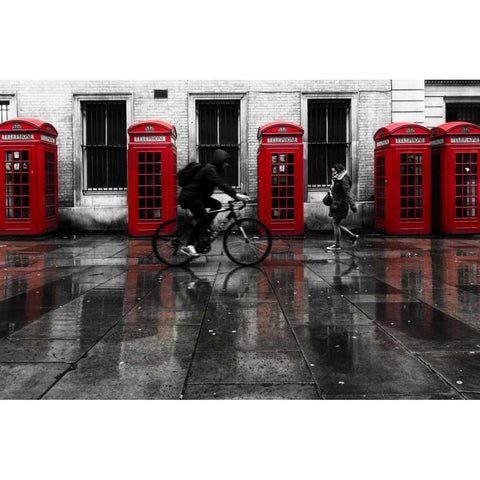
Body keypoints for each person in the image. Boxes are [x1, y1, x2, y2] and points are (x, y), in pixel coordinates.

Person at [178, 148, 250, 257]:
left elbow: (222, 183)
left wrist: (235, 194)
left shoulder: (212, 169)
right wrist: (236, 194)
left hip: (197, 196)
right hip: (190, 197)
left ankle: (205, 227)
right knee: (204, 218)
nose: (227, 165)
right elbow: (220, 184)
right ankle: (190, 245)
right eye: (226, 162)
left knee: (216, 204)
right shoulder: (209, 170)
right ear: (220, 161)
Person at [326, 163, 359, 251]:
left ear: (339, 170)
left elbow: (347, 193)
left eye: (334, 171)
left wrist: (352, 205)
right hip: (336, 204)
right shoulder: (337, 179)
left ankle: (337, 245)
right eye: (332, 171)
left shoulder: (344, 179)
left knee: (336, 224)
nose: (333, 173)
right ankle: (352, 236)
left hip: (341, 205)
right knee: (336, 224)